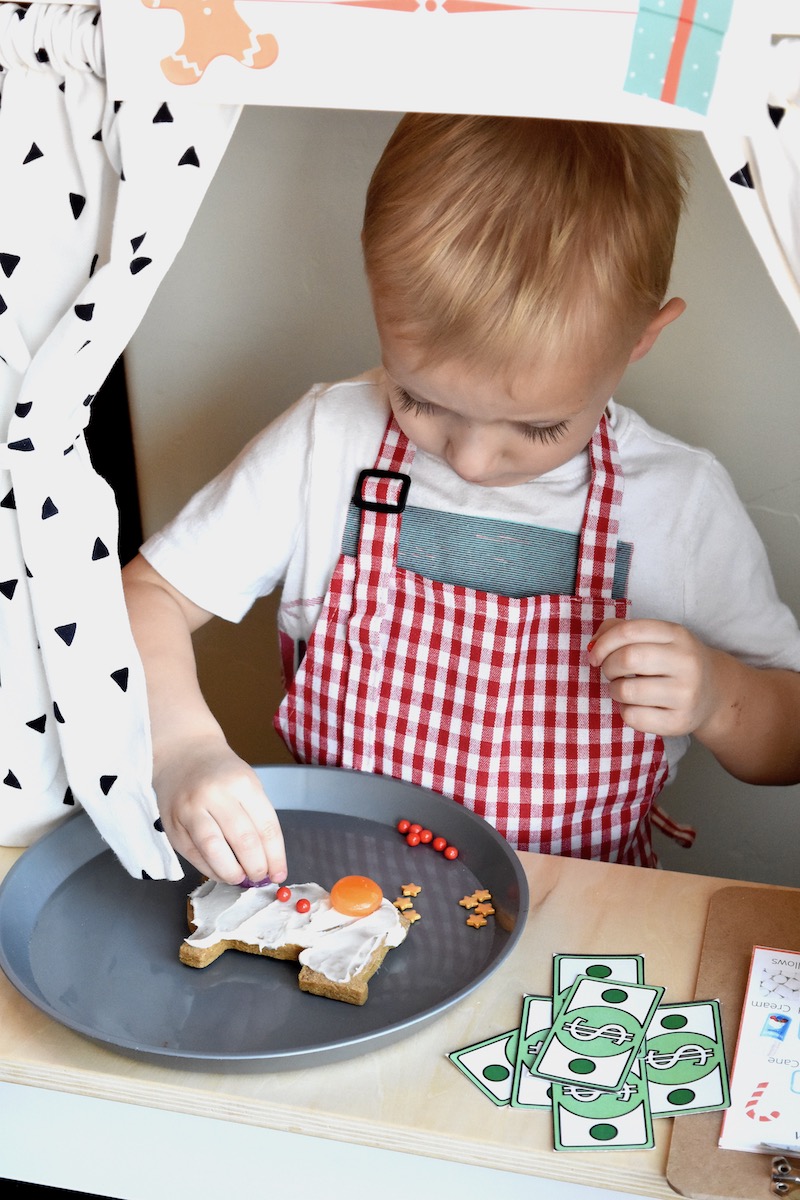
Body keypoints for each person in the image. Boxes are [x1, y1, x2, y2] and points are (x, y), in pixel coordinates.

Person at [122, 114, 800, 887]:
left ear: (640, 339)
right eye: (418, 400)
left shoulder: (678, 506)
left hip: (573, 918)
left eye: (539, 426)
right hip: (342, 899)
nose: (473, 460)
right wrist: (178, 746)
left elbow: (787, 747)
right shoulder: (327, 443)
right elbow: (149, 596)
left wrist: (719, 694)